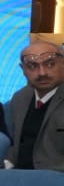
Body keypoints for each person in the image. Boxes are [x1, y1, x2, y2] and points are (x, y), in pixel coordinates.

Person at [5, 38, 64, 170]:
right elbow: (15, 143)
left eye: (50, 64)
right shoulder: (20, 98)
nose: (42, 73)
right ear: (23, 69)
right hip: (19, 175)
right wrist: (7, 162)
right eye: (32, 66)